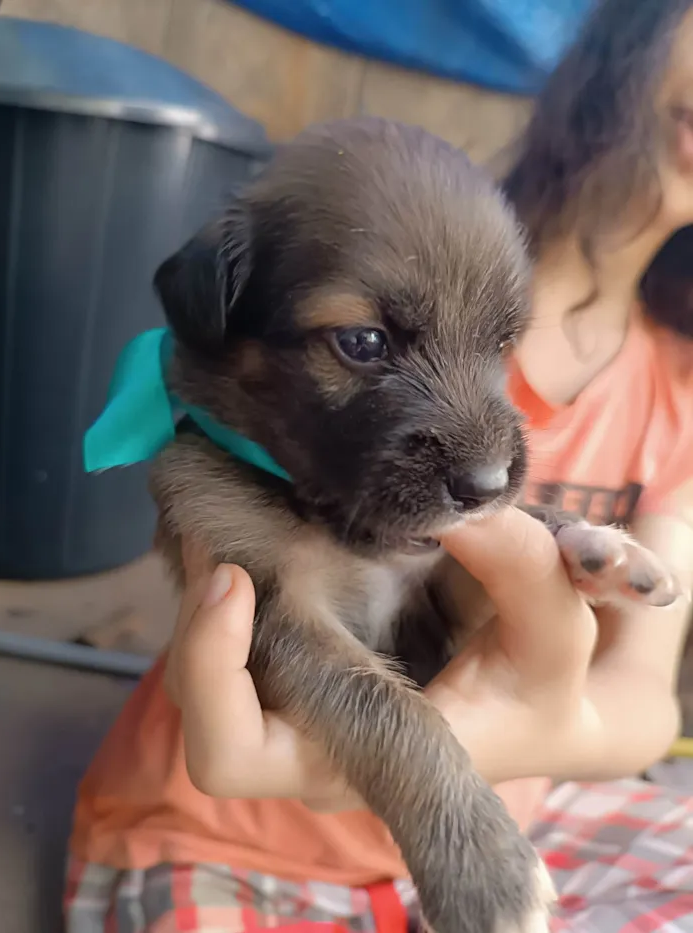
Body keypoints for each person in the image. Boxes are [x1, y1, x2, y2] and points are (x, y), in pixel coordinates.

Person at [65, 0, 693, 930]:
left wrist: (544, 724)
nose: (487, 460)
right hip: (221, 830)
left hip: (516, 819)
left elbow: (644, 692)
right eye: (362, 342)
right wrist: (444, 792)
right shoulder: (361, 233)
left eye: (500, 347)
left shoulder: (677, 388)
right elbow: (291, 639)